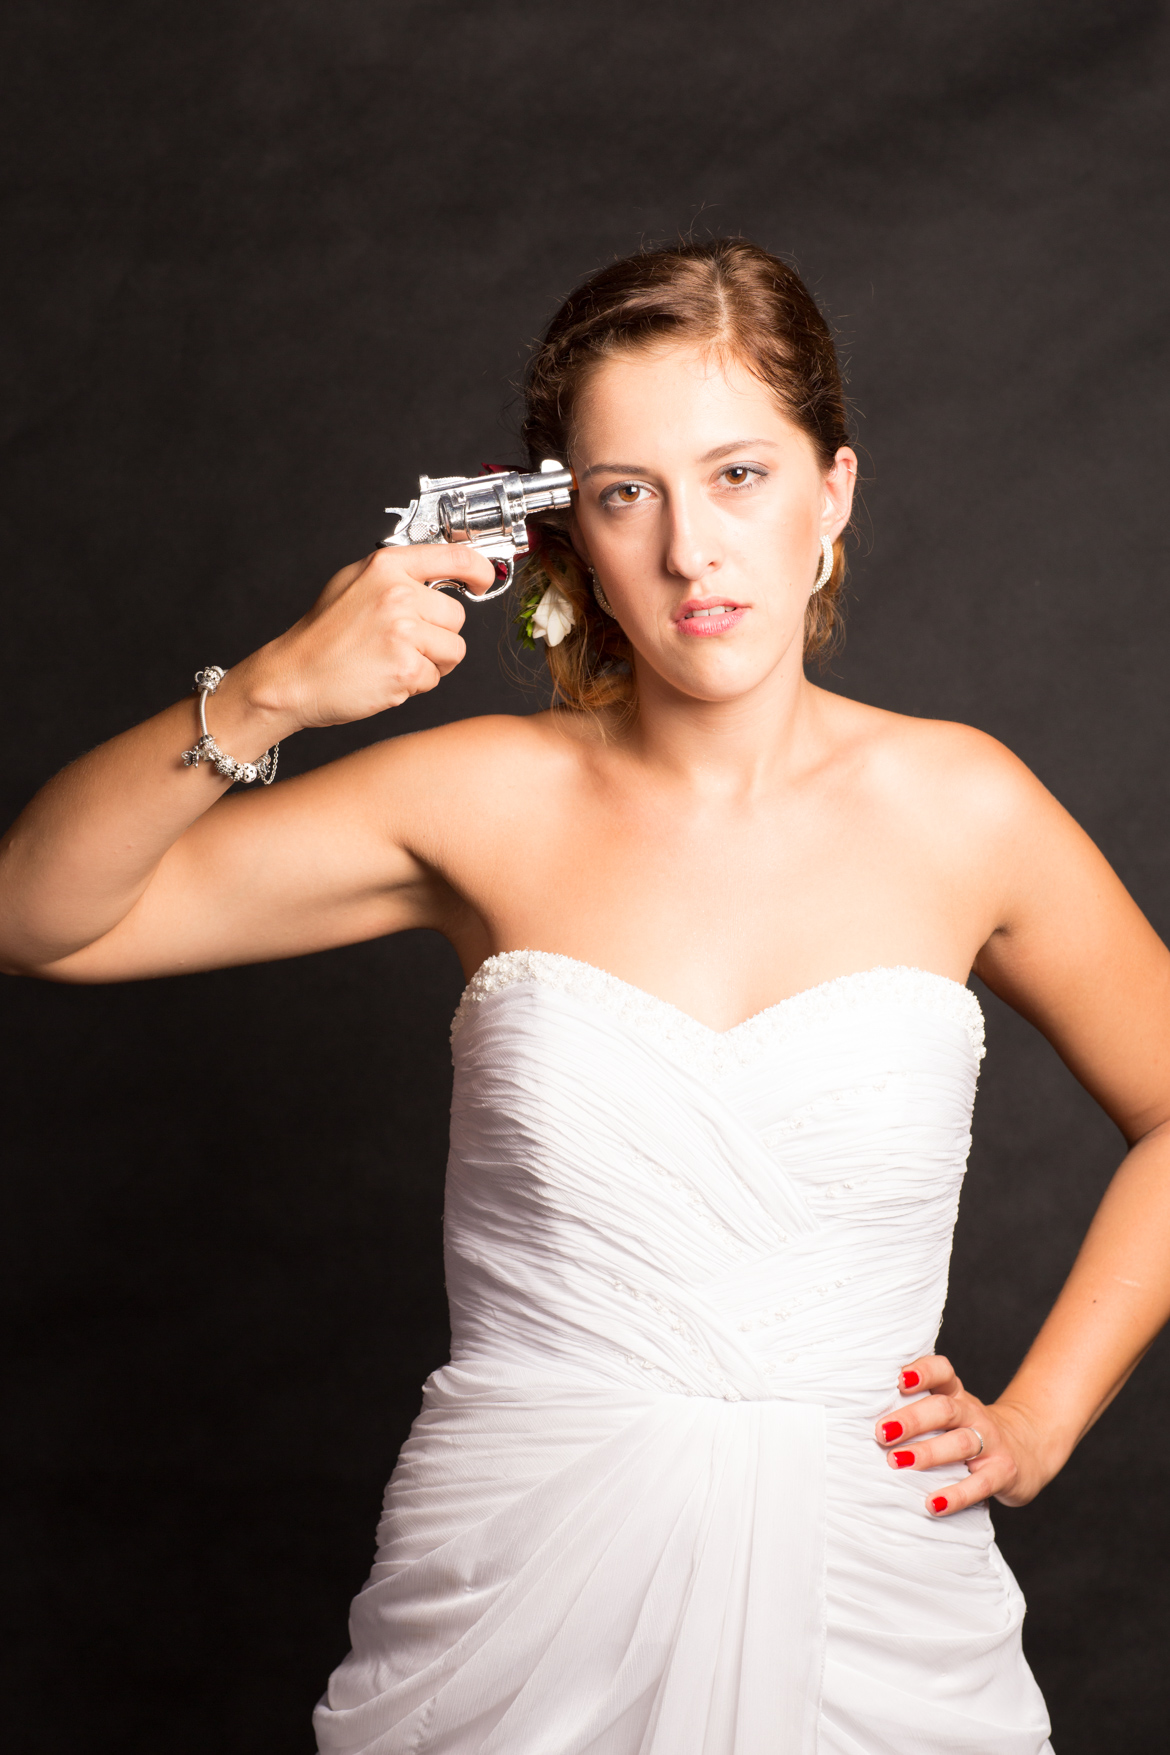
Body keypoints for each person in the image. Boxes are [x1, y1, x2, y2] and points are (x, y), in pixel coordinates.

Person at [2, 238, 1168, 1755]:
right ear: (570, 533)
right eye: (628, 494)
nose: (691, 552)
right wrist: (272, 688)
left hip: (868, 1598)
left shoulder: (965, 808)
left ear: (832, 493)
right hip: (517, 1597)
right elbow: (37, 920)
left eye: (739, 476)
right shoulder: (482, 798)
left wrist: (1040, 1419)